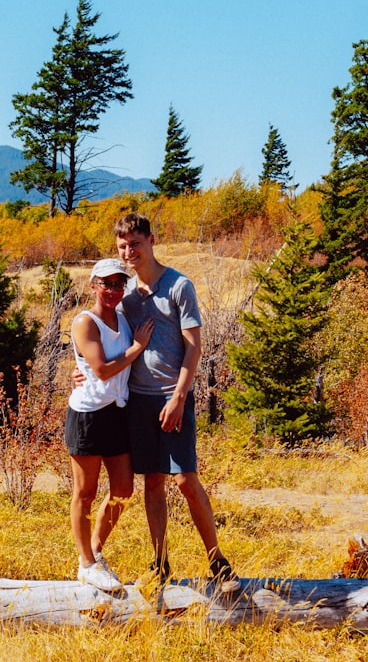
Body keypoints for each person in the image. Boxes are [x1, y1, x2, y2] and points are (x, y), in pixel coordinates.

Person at [113, 212, 240, 593]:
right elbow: (109, 342)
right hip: (139, 400)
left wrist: (180, 397)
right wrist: (84, 371)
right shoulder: (127, 297)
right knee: (153, 481)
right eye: (122, 246)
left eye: (135, 243)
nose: (129, 252)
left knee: (185, 479)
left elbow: (194, 347)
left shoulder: (179, 286)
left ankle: (218, 561)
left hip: (174, 396)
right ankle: (160, 562)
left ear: (152, 241)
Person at [67, 258, 153, 592]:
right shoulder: (85, 322)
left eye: (119, 284)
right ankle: (86, 562)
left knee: (123, 490)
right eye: (107, 283)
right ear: (93, 286)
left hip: (118, 413)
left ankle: (95, 552)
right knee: (85, 493)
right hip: (88, 415)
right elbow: (101, 370)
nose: (113, 290)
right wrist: (136, 348)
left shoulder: (123, 318)